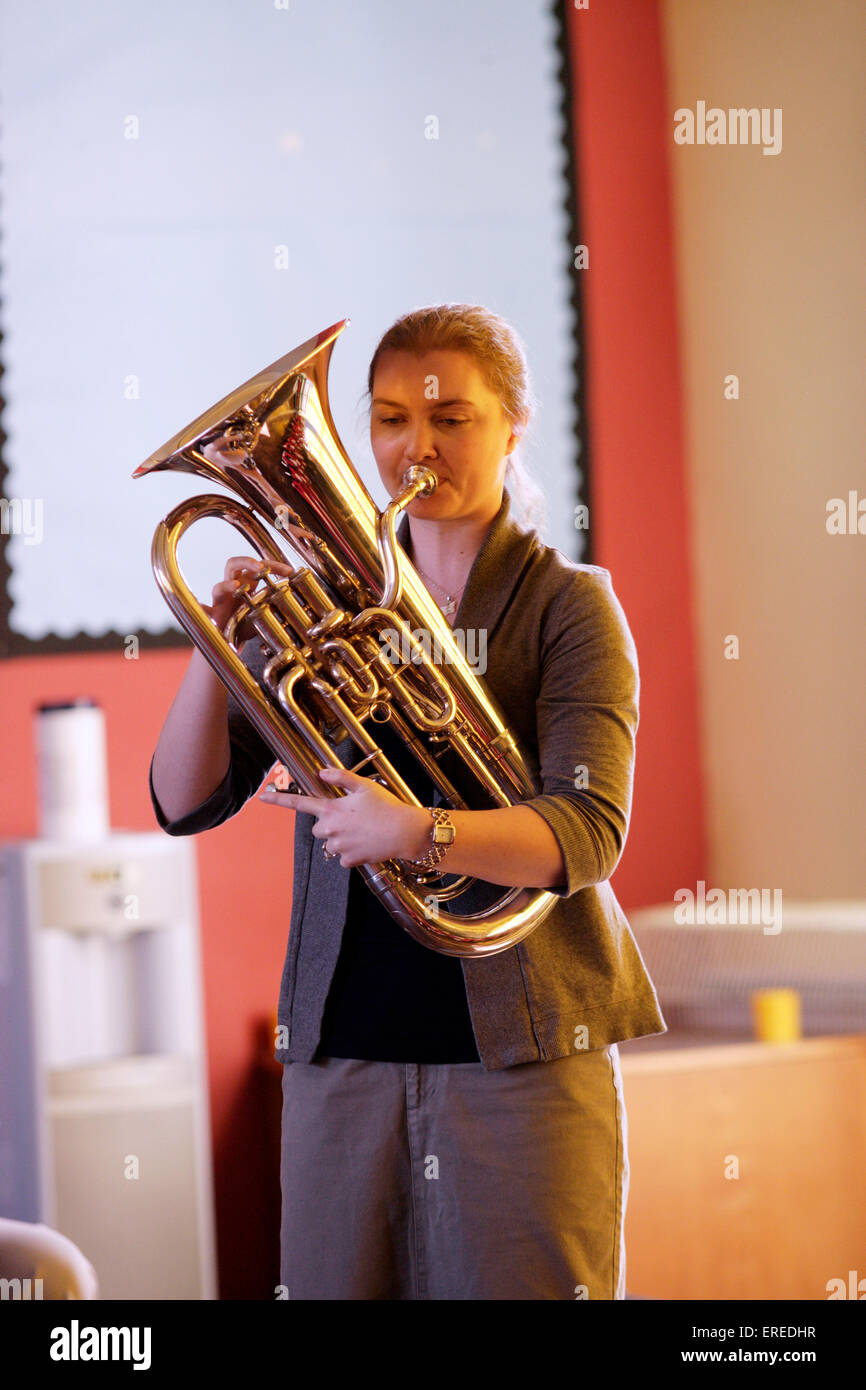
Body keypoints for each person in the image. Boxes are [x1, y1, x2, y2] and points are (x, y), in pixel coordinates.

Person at [148, 303, 666, 1300]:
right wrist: (211, 648)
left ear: (513, 425)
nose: (412, 446)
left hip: (520, 1061)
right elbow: (184, 801)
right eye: (387, 419)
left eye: (450, 418)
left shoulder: (569, 603)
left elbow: (586, 833)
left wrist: (415, 832)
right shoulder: (324, 604)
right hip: (341, 1057)